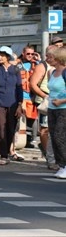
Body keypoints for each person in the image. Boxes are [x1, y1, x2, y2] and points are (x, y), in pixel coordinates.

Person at [0, 46, 23, 166]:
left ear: (8, 57)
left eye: (2, 55)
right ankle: (3, 155)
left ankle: (7, 152)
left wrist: (19, 105)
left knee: (11, 129)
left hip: (13, 104)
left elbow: (19, 88)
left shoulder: (15, 69)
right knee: (1, 129)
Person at [46, 46, 66, 179]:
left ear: (58, 59)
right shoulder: (52, 72)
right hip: (52, 108)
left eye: (50, 57)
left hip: (63, 109)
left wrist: (61, 101)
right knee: (53, 137)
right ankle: (61, 165)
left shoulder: (65, 72)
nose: (48, 59)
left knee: (60, 136)